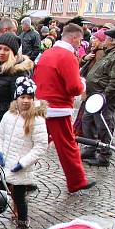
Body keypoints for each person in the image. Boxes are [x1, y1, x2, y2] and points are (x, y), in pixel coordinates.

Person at [32, 23, 95, 193]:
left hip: (41, 104)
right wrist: (83, 82)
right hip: (58, 108)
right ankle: (77, 181)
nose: (80, 44)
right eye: (80, 40)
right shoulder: (68, 56)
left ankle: (17, 172)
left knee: (34, 142)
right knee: (67, 145)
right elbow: (74, 88)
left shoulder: (48, 52)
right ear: (74, 37)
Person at [0, 77, 47, 229]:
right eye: (23, 97)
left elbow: (40, 146)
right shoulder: (9, 115)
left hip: (21, 167)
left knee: (19, 197)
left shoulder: (37, 120)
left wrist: (22, 163)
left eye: (29, 97)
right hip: (4, 164)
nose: (26, 100)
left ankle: (22, 224)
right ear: (17, 97)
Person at [82, 28, 115, 164]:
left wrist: (104, 96)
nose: (104, 42)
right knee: (88, 120)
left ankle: (105, 154)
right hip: (95, 94)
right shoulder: (110, 52)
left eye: (106, 39)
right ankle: (91, 147)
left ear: (111, 41)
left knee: (104, 124)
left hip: (104, 96)